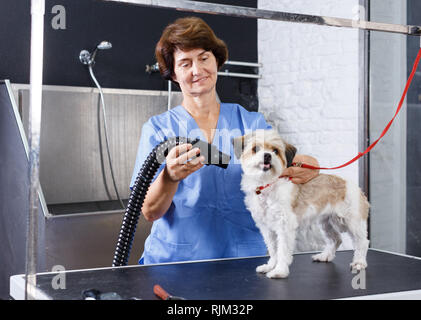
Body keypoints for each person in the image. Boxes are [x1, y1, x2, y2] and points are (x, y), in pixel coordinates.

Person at [130, 16, 320, 265]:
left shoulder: (250, 124)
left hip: (243, 260)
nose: (197, 70)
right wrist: (170, 177)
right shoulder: (159, 130)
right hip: (176, 263)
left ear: (216, 61)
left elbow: (283, 166)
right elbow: (150, 211)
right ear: (174, 73)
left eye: (204, 58)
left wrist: (306, 166)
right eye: (186, 63)